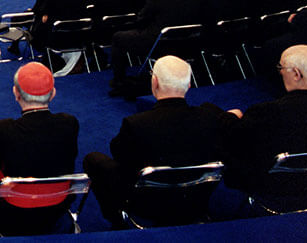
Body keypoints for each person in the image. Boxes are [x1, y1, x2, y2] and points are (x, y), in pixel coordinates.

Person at [83, 56, 224, 227]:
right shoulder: (210, 116)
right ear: (188, 85)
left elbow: (119, 156)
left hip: (148, 205)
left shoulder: (135, 124)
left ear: (154, 82)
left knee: (94, 160)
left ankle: (118, 219)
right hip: (195, 200)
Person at [0, 62, 79, 236]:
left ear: (16, 93)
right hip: (57, 205)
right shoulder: (70, 123)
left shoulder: (3, 129)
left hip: (15, 209)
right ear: (53, 94)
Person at [216, 45, 307, 194]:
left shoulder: (269, 112)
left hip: (271, 185)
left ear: (296, 74)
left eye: (281, 67)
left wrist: (230, 117)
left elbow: (234, 139)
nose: (280, 72)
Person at [109, 0, 203, 94]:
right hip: (185, 45)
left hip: (157, 43)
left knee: (118, 37)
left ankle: (119, 80)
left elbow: (142, 19)